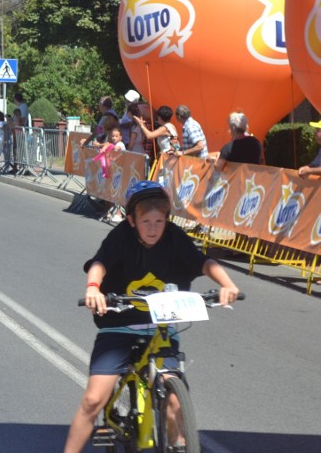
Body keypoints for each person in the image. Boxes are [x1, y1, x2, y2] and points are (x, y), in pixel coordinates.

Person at [63, 180, 240, 453]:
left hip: (161, 328)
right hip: (119, 326)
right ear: (131, 220)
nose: (153, 228)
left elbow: (203, 262)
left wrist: (227, 285)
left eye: (159, 221)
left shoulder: (174, 237)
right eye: (146, 221)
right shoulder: (120, 237)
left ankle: (178, 443)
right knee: (93, 400)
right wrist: (93, 289)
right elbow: (99, 264)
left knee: (175, 398)